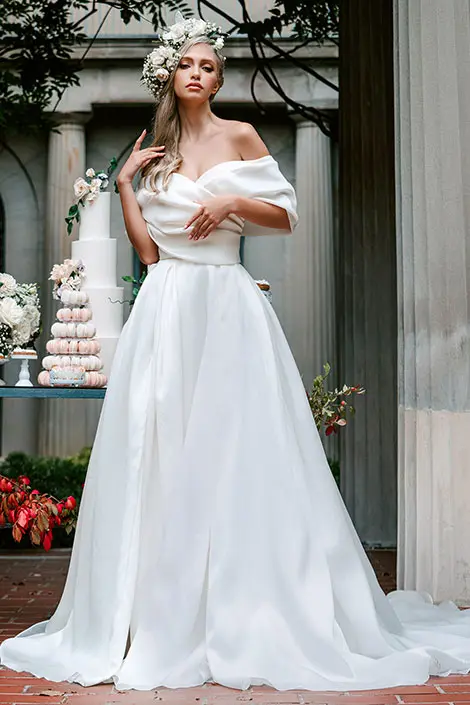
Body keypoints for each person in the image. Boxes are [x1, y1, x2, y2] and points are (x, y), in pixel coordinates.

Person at [2, 12, 470, 695]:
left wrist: (228, 203)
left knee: (236, 450)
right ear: (171, 74)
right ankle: (157, 610)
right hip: (166, 310)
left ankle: (248, 606)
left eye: (210, 67)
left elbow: (287, 214)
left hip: (227, 306)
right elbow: (145, 251)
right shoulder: (154, 152)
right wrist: (129, 182)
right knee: (159, 452)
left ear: (218, 79)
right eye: (189, 64)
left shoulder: (241, 136)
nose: (199, 74)